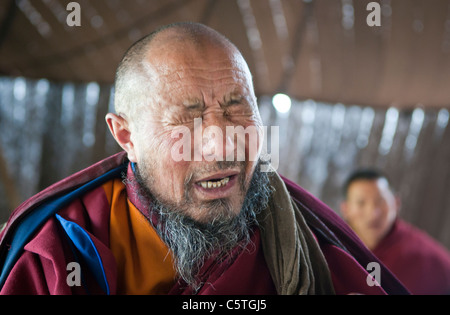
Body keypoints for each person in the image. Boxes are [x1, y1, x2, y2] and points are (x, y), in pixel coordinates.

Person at [0, 22, 408, 295]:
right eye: (189, 117)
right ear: (126, 136)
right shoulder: (62, 249)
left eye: (236, 108)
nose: (222, 145)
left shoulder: (303, 239)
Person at [341, 168, 450, 294]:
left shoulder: (427, 257)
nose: (373, 214)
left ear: (396, 203)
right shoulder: (332, 247)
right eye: (361, 203)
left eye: (380, 202)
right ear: (346, 209)